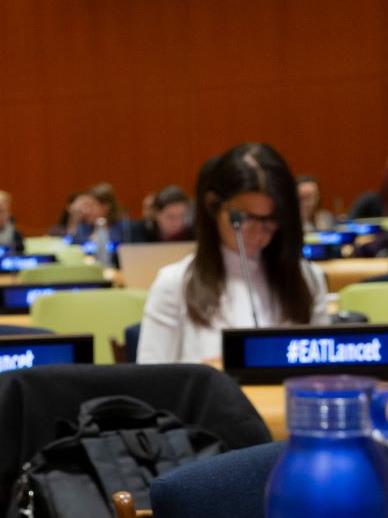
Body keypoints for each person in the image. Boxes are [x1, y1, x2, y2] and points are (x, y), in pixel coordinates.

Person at [139, 143, 329, 365]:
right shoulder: (174, 284)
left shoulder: (308, 278)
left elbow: (321, 374)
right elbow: (151, 386)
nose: (259, 232)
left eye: (271, 219)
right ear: (213, 205)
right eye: (245, 219)